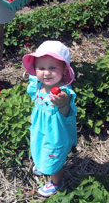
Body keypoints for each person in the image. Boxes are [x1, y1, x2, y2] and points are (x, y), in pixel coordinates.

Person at [22, 40, 78, 197]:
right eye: (41, 68)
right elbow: (37, 103)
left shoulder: (63, 93)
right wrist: (34, 115)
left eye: (52, 68)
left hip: (55, 134)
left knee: (54, 157)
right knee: (38, 145)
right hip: (40, 128)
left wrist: (62, 102)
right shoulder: (38, 84)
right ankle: (43, 163)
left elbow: (66, 109)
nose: (46, 73)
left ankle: (56, 182)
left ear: (64, 70)